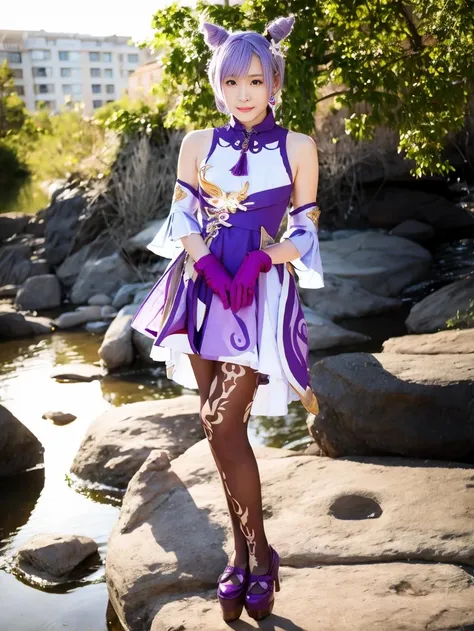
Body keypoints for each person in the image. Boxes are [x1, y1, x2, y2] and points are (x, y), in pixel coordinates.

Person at [131, 13, 324, 622]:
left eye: (255, 81)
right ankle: (247, 557)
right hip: (202, 288)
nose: (244, 94)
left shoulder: (299, 146)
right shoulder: (196, 144)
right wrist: (210, 269)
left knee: (222, 418)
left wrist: (261, 260)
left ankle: (256, 554)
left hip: (259, 295)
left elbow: (308, 228)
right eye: (232, 82)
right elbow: (183, 220)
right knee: (216, 427)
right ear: (218, 84)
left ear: (274, 82)